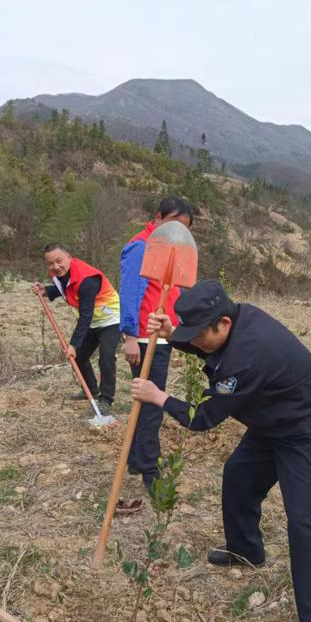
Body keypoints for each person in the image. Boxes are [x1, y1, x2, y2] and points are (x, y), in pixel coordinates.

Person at [130, 281, 311, 622]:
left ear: (224, 322)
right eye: (189, 336)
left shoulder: (246, 357)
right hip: (271, 421)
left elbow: (202, 418)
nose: (195, 343)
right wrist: (171, 335)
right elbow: (207, 345)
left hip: (309, 429)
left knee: (301, 519)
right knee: (238, 476)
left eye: (198, 337)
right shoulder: (237, 321)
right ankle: (246, 550)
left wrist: (158, 397)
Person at [119, 197, 194, 495]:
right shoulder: (142, 246)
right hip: (144, 339)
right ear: (158, 216)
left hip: (162, 335)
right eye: (173, 223)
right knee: (151, 404)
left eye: (185, 228)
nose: (178, 232)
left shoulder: (170, 250)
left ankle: (138, 459)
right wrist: (129, 337)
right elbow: (130, 292)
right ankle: (151, 469)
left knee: (145, 401)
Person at [33, 246, 120, 415]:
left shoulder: (87, 279)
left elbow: (85, 316)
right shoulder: (61, 274)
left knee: (106, 357)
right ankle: (91, 390)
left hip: (111, 320)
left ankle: (106, 400)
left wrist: (73, 344)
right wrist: (47, 290)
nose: (56, 266)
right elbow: (67, 288)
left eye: (59, 261)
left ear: (69, 257)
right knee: (79, 357)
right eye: (50, 263)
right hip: (92, 322)